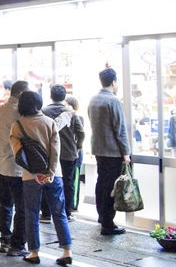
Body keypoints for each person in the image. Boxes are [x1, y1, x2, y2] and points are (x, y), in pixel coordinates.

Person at [10, 91, 73, 267]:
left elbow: (18, 154)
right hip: (54, 176)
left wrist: (35, 172)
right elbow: (56, 150)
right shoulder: (49, 122)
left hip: (31, 177)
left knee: (31, 213)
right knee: (59, 212)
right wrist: (50, 173)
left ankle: (34, 252)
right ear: (39, 104)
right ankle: (66, 251)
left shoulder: (17, 126)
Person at [88, 67, 132, 235]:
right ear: (114, 82)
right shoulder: (113, 101)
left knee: (102, 183)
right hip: (113, 151)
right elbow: (120, 129)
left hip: (99, 149)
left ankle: (102, 216)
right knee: (111, 187)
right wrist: (125, 152)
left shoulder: (93, 99)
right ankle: (108, 223)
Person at [0, 80, 29, 256]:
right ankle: (17, 245)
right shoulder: (22, 114)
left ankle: (5, 239)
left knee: (4, 204)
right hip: (15, 168)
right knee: (22, 207)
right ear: (21, 94)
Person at [41, 85, 85, 224]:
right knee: (68, 183)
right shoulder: (70, 113)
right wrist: (77, 147)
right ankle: (66, 212)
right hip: (68, 153)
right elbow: (81, 133)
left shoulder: (43, 112)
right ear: (64, 97)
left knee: (47, 182)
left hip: (48, 153)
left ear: (51, 96)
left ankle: (46, 213)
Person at [64, 95, 84, 212]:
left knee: (73, 181)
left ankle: (73, 205)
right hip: (69, 153)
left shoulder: (77, 117)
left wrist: (78, 148)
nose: (66, 107)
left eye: (68, 105)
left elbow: (80, 135)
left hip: (75, 153)